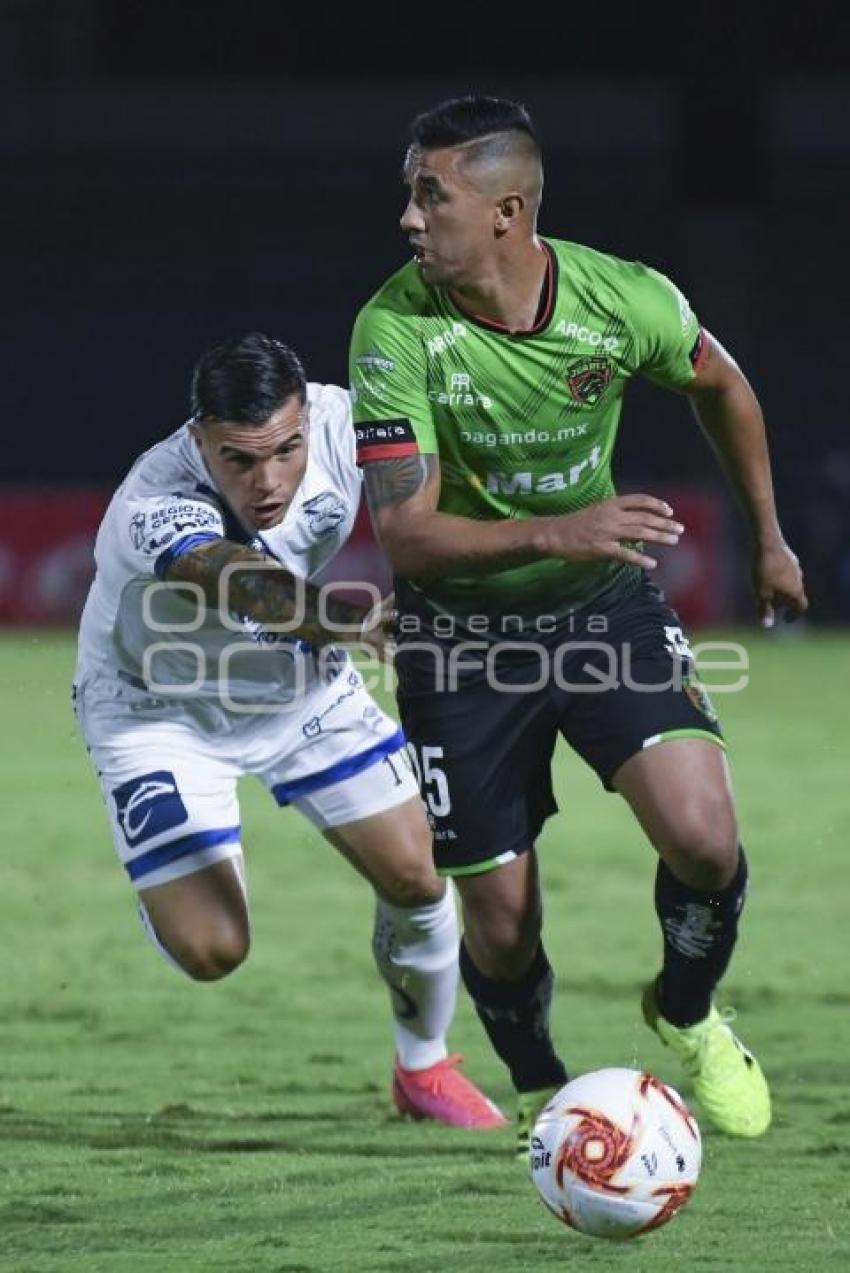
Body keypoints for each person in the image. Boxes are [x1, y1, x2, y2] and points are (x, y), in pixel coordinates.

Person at [349, 96, 808, 1156]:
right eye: (408, 193)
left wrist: (768, 539)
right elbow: (407, 539)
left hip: (601, 611)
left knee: (703, 838)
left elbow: (722, 383)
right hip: (457, 643)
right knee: (503, 928)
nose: (410, 220)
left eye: (432, 195)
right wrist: (561, 528)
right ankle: (545, 1090)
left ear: (507, 211)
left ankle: (687, 1010)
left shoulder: (620, 299)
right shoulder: (394, 327)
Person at [73, 331, 504, 1131]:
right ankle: (164, 887)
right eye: (239, 459)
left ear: (311, 416)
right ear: (199, 436)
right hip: (155, 710)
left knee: (419, 872)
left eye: (286, 450)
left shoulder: (350, 425)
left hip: (296, 693)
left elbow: (446, 472)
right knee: (212, 950)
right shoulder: (153, 500)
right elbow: (242, 584)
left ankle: (423, 1066)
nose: (268, 481)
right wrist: (351, 625)